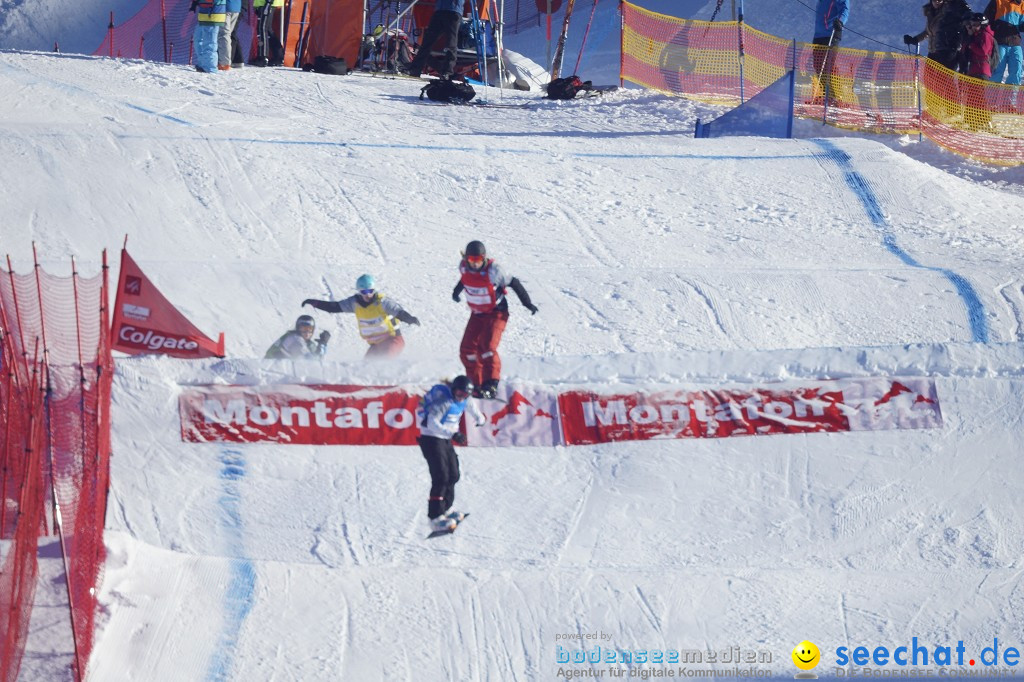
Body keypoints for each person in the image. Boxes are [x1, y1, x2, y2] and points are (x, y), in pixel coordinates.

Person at [452, 240, 537, 399]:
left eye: (478, 260)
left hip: (496, 312)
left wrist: (527, 303)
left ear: (484, 258)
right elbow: (464, 280)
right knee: (467, 349)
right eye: (471, 260)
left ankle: (491, 384)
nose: (475, 264)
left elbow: (514, 282)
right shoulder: (464, 267)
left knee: (486, 347)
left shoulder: (494, 271)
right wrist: (455, 292)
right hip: (477, 313)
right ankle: (474, 384)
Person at [416, 375, 485, 532]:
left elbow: (471, 407)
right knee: (441, 476)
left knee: (454, 475)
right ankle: (435, 517)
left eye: (464, 395)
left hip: (445, 439)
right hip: (431, 438)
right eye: (459, 394)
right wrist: (453, 434)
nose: (461, 398)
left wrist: (480, 418)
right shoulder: (443, 402)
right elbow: (432, 423)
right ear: (453, 390)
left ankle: (445, 509)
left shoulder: (464, 400)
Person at [301, 274, 420, 360]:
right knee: (365, 370)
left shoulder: (383, 302)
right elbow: (335, 307)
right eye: (364, 292)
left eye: (370, 291)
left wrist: (410, 319)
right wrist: (315, 303)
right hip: (376, 345)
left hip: (393, 340)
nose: (368, 294)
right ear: (359, 292)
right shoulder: (354, 303)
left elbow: (398, 312)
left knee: (385, 361)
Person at [905, 0, 972, 70]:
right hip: (933, 50)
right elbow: (928, 31)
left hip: (946, 50)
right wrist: (915, 39)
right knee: (928, 77)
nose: (937, 2)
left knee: (943, 77)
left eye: (940, 0)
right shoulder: (930, 13)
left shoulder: (948, 13)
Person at [405, 0, 465, 78]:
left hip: (453, 10)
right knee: (427, 41)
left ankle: (447, 72)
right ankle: (415, 69)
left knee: (451, 44)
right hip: (440, 10)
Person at [811, 0, 850, 104]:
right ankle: (827, 96)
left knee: (829, 65)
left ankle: (836, 97)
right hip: (819, 34)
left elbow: (844, 9)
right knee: (818, 65)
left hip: (831, 32)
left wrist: (841, 21)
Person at [984, 0, 1024, 84]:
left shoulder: (1021, 4)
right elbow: (986, 20)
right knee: (996, 71)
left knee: (1016, 71)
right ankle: (992, 96)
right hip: (999, 42)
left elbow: (1021, 25)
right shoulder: (997, 2)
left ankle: (1011, 96)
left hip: (1015, 42)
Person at [265, 314, 330, 359]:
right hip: (271, 373)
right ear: (298, 328)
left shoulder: (309, 344)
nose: (307, 333)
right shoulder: (293, 339)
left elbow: (319, 364)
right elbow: (310, 362)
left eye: (309, 329)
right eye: (303, 329)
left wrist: (322, 344)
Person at [189, 0, 227, 73]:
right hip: (204, 15)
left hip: (213, 15)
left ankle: (210, 67)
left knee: (209, 43)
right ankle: (202, 63)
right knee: (198, 40)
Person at [249, 0, 285, 67]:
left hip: (266, 3)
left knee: (262, 29)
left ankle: (262, 57)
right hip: (265, 3)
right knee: (267, 30)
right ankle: (278, 57)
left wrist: (268, 2)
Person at [218, 0, 242, 71]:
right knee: (227, 35)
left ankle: (224, 63)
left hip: (225, 7)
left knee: (224, 35)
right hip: (236, 7)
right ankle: (225, 61)